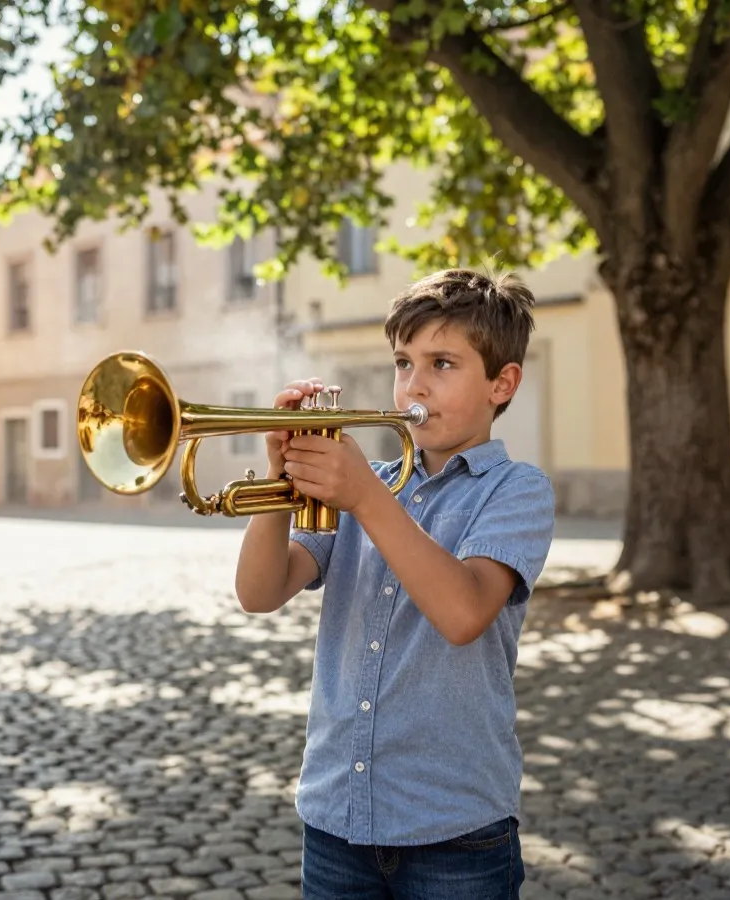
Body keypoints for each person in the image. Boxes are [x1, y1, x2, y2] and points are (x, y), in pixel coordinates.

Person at [233, 267, 555, 899]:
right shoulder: (368, 484)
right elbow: (259, 592)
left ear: (502, 383)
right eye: (403, 363)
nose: (414, 385)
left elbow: (463, 613)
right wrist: (279, 484)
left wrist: (366, 496)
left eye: (442, 364)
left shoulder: (516, 491)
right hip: (335, 819)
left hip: (455, 831)